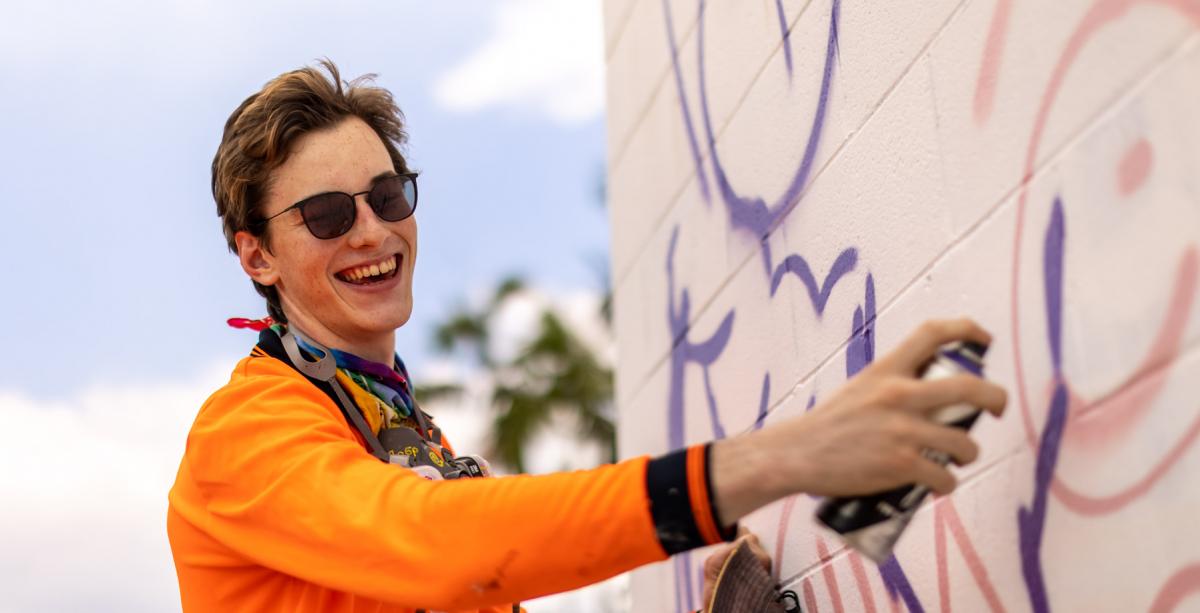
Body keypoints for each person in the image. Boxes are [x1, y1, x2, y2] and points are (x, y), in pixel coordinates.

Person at [167, 60, 1007, 613]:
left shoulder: (396, 426)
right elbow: (442, 541)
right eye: (324, 214)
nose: (369, 232)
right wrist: (785, 458)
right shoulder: (247, 433)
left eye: (386, 196)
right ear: (257, 253)